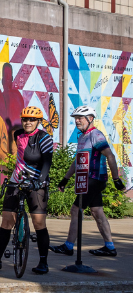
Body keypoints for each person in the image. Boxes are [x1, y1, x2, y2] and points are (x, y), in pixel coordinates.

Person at [0, 106, 56, 274]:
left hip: (37, 182)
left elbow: (47, 162)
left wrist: (39, 182)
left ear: (38, 122)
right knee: (6, 222)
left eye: (32, 119)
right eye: (25, 119)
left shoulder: (44, 138)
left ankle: (43, 262)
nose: (28, 122)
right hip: (16, 180)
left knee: (39, 223)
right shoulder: (18, 135)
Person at [51, 105, 126, 258]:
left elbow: (110, 156)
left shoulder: (96, 135)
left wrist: (116, 178)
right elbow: (77, 161)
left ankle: (68, 246)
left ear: (90, 119)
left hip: (94, 179)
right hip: (86, 179)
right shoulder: (82, 137)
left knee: (75, 210)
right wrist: (65, 179)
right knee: (97, 212)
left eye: (80, 118)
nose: (77, 121)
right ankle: (109, 247)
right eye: (75, 118)